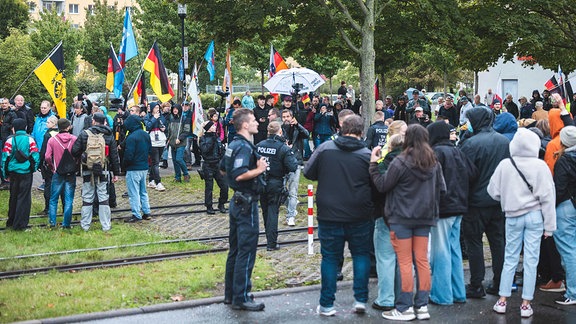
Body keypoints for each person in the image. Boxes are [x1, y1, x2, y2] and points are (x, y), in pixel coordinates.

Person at [370, 124, 446, 321]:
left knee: (404, 262)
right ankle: (422, 305)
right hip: (425, 218)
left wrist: (373, 165)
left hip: (401, 218)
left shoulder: (401, 161)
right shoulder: (433, 162)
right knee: (422, 262)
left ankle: (404, 307)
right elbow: (442, 189)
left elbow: (382, 185)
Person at [304, 115, 374, 316]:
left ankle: (327, 304)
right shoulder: (367, 154)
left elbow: (308, 172)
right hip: (359, 213)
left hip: (329, 213)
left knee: (330, 258)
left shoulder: (325, 149)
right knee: (360, 255)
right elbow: (376, 182)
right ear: (361, 132)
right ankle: (360, 299)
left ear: (342, 128)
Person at [489, 128, 556, 318]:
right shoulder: (540, 166)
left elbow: (492, 191)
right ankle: (526, 304)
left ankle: (502, 300)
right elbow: (548, 198)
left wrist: (508, 197)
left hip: (512, 215)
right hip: (535, 216)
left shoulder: (505, 164)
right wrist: (549, 227)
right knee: (531, 260)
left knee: (510, 258)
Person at [459, 107, 510, 298]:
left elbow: (464, 174)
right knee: (498, 242)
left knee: (474, 243)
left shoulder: (470, 144)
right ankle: (499, 283)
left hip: (475, 202)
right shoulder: (504, 141)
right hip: (498, 201)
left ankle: (476, 284)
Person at [220, 108, 267, 311]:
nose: (257, 122)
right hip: (247, 204)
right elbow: (239, 174)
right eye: (254, 120)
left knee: (236, 250)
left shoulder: (233, 145)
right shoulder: (245, 148)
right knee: (246, 252)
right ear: (245, 125)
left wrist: (233, 185)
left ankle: (231, 295)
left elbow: (223, 168)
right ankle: (242, 296)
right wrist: (259, 169)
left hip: (236, 202)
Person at [427, 121, 477, 306]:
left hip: (443, 208)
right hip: (459, 207)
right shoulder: (458, 151)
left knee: (440, 252)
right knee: (454, 250)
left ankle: (442, 295)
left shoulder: (435, 153)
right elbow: (473, 173)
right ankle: (458, 292)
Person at [71, 113, 120, 231]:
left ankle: (85, 225)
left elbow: (74, 151)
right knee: (103, 197)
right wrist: (116, 172)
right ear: (104, 122)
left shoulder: (84, 134)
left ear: (93, 121)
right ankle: (106, 226)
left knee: (87, 197)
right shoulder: (109, 135)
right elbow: (114, 155)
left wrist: (84, 156)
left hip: (88, 170)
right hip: (103, 170)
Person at [256, 121, 298, 250]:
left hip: (261, 181)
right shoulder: (282, 147)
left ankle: (269, 238)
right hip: (275, 182)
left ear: (268, 132)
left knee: (265, 211)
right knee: (273, 212)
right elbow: (293, 166)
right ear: (280, 132)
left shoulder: (259, 145)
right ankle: (271, 243)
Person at [552, 125, 576, 306]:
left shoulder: (564, 160)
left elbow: (559, 189)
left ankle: (573, 292)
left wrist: (550, 206)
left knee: (568, 250)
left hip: (566, 205)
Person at [1, 118, 40, 230]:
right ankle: (20, 224)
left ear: (13, 128)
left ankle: (11, 221)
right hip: (26, 172)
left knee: (13, 196)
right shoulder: (30, 140)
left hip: (13, 172)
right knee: (24, 198)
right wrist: (33, 169)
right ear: (25, 127)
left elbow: (4, 158)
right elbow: (35, 156)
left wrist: (5, 174)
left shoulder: (9, 141)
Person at [44, 118, 77, 228]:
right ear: (68, 127)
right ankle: (66, 224)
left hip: (58, 171)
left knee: (53, 199)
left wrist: (52, 167)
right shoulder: (74, 139)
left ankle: (52, 223)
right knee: (69, 199)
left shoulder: (52, 140)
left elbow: (47, 156)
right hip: (71, 172)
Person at [281, 109, 309, 226]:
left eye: (288, 116)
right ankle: (291, 206)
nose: (286, 118)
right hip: (282, 164)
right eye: (283, 117)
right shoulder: (280, 129)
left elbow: (307, 134)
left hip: (295, 162)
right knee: (280, 190)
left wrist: (297, 125)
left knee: (293, 191)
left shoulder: (297, 128)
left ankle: (290, 215)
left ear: (292, 117)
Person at [123, 114, 153, 223]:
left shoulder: (131, 137)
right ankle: (146, 211)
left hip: (133, 168)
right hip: (144, 167)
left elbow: (129, 155)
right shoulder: (146, 135)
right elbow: (150, 150)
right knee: (143, 191)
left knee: (133, 192)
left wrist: (124, 165)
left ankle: (136, 214)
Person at [199, 120, 228, 214]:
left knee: (224, 186)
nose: (215, 127)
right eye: (212, 126)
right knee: (209, 188)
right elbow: (205, 150)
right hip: (208, 165)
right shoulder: (203, 139)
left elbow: (222, 151)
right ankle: (209, 206)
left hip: (218, 165)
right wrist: (212, 140)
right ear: (208, 129)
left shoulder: (217, 138)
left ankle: (222, 203)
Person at [38, 115, 60, 215]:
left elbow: (44, 150)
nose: (46, 124)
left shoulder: (48, 135)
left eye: (48, 122)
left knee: (48, 185)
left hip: (49, 163)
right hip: (58, 162)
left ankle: (48, 208)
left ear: (53, 123)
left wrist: (39, 162)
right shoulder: (60, 133)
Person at [144, 104, 167, 192]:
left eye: (158, 108)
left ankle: (151, 180)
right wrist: (154, 118)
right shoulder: (147, 117)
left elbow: (165, 125)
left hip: (161, 140)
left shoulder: (161, 117)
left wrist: (164, 128)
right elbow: (148, 126)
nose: (157, 109)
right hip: (152, 141)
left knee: (155, 162)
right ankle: (158, 182)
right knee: (155, 162)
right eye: (156, 108)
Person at [166, 104, 190, 182]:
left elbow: (186, 131)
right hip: (172, 142)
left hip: (181, 143)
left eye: (176, 109)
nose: (175, 110)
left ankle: (186, 174)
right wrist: (168, 138)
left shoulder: (184, 119)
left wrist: (180, 138)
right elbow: (169, 130)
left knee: (179, 159)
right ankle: (177, 176)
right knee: (174, 161)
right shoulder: (171, 118)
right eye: (174, 109)